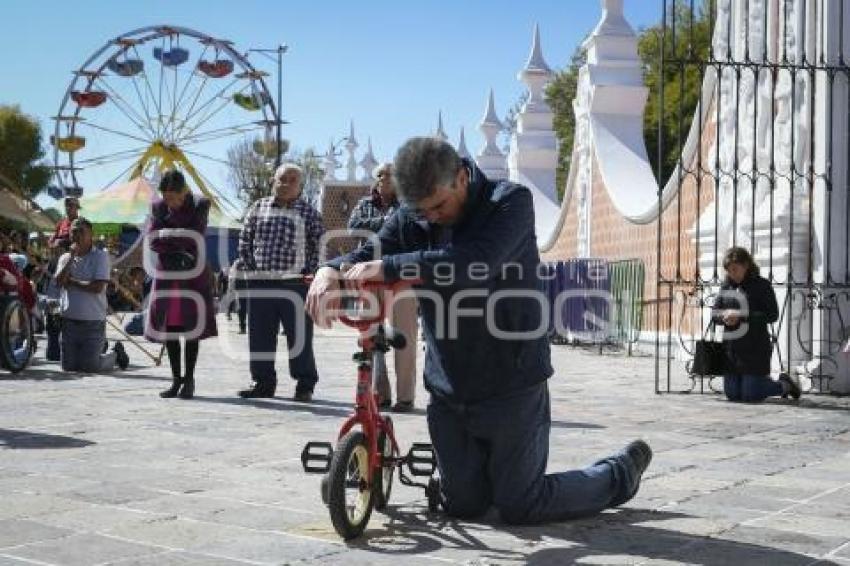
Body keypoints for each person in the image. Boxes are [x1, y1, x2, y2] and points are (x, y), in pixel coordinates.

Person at [306, 137, 651, 524]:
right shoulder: (412, 214)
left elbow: (475, 262)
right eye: (422, 211)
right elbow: (371, 253)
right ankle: (487, 476)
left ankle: (619, 472)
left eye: (439, 205)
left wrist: (390, 268)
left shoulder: (510, 202)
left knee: (521, 505)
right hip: (449, 385)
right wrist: (329, 270)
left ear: (462, 177)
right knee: (465, 507)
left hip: (512, 381)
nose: (431, 217)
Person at [237, 163, 324, 401]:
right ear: (273, 181)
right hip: (261, 283)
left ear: (300, 186)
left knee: (300, 338)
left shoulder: (309, 214)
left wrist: (309, 273)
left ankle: (305, 384)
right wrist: (252, 269)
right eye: (281, 179)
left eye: (292, 180)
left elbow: (319, 247)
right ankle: (263, 382)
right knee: (260, 336)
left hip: (295, 285)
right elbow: (245, 241)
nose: (286, 184)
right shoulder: (258, 207)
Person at [347, 162, 418, 412]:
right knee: (370, 337)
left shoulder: (409, 204)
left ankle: (406, 397)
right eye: (380, 174)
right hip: (368, 278)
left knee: (404, 336)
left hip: (401, 277)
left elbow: (408, 231)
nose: (385, 178)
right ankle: (380, 394)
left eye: (391, 174)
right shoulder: (364, 204)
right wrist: (387, 222)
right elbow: (354, 226)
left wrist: (379, 226)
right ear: (375, 179)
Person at [145, 170, 218, 400]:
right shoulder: (158, 207)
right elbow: (153, 238)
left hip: (192, 274)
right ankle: (175, 379)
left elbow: (194, 235)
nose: (170, 203)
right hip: (167, 274)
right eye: (166, 197)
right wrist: (175, 243)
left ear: (184, 191)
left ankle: (189, 379)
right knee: (171, 328)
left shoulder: (200, 204)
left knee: (191, 328)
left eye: (174, 197)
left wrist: (169, 237)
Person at [713, 246, 801, 402]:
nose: (732, 274)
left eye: (735, 269)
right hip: (731, 351)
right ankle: (753, 383)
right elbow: (715, 314)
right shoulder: (726, 286)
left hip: (755, 348)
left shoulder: (761, 285)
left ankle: (785, 385)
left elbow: (772, 315)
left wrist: (742, 316)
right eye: (729, 270)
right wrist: (724, 317)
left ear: (746, 265)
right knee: (733, 395)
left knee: (750, 394)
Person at [54, 217, 129, 373]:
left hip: (93, 321)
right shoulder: (65, 258)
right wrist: (71, 258)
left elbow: (97, 287)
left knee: (90, 367)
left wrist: (72, 282)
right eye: (73, 232)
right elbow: (59, 282)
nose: (77, 236)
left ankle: (115, 354)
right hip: (69, 320)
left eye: (81, 232)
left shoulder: (100, 257)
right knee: (68, 367)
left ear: (91, 235)